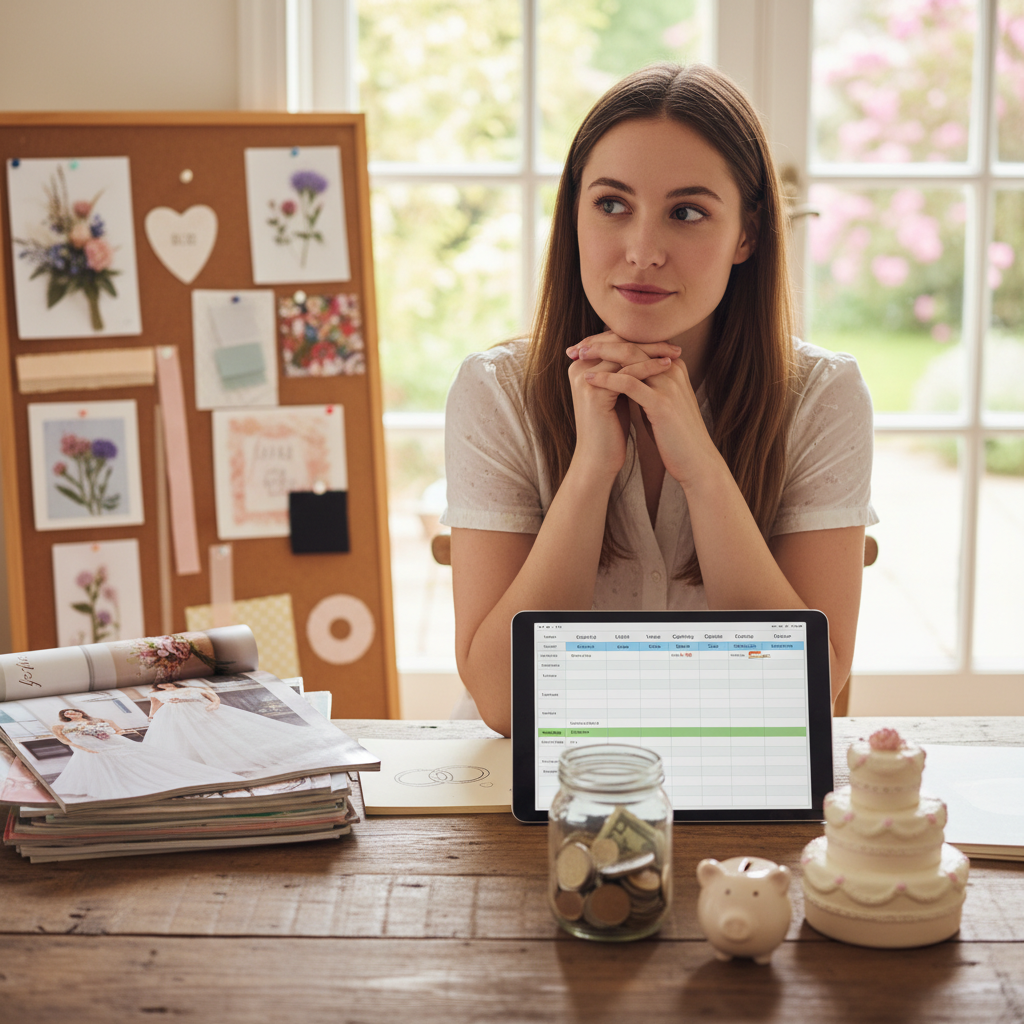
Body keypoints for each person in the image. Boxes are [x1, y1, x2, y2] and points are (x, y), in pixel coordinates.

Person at [441, 63, 877, 736]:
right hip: (531, 793)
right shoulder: (496, 391)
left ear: (748, 234)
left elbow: (804, 690)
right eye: (612, 204)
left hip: (733, 773)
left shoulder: (821, 397)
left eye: (687, 213)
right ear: (575, 213)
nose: (642, 251)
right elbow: (503, 703)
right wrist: (590, 471)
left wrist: (701, 467)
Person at [51, 708, 243, 801]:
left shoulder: (99, 719)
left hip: (111, 742)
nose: (71, 713)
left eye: (74, 711)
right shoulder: (61, 726)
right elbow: (64, 740)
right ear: (66, 716)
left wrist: (106, 734)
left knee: (137, 760)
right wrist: (84, 747)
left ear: (79, 712)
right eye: (68, 713)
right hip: (87, 747)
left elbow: (118, 730)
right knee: (99, 765)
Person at [143, 680, 318, 774]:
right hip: (171, 717)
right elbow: (154, 707)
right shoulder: (156, 694)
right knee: (178, 741)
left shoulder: (194, 688)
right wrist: (152, 718)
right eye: (161, 683)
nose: (165, 685)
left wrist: (213, 705)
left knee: (211, 737)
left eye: (168, 682)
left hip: (197, 713)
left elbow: (213, 697)